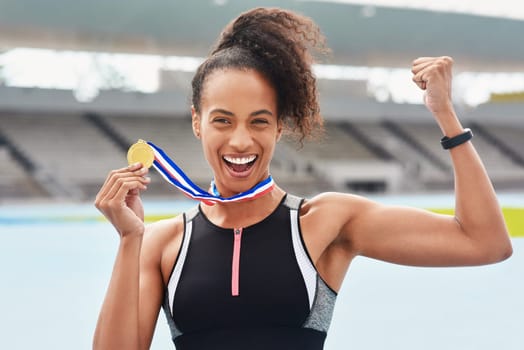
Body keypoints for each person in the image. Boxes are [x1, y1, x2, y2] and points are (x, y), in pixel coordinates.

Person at [92, 7, 512, 350]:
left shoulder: (324, 222)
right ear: (197, 123)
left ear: (280, 128)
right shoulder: (161, 244)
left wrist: (447, 117)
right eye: (222, 120)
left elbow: (484, 241)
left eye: (260, 121)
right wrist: (130, 240)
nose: (241, 140)